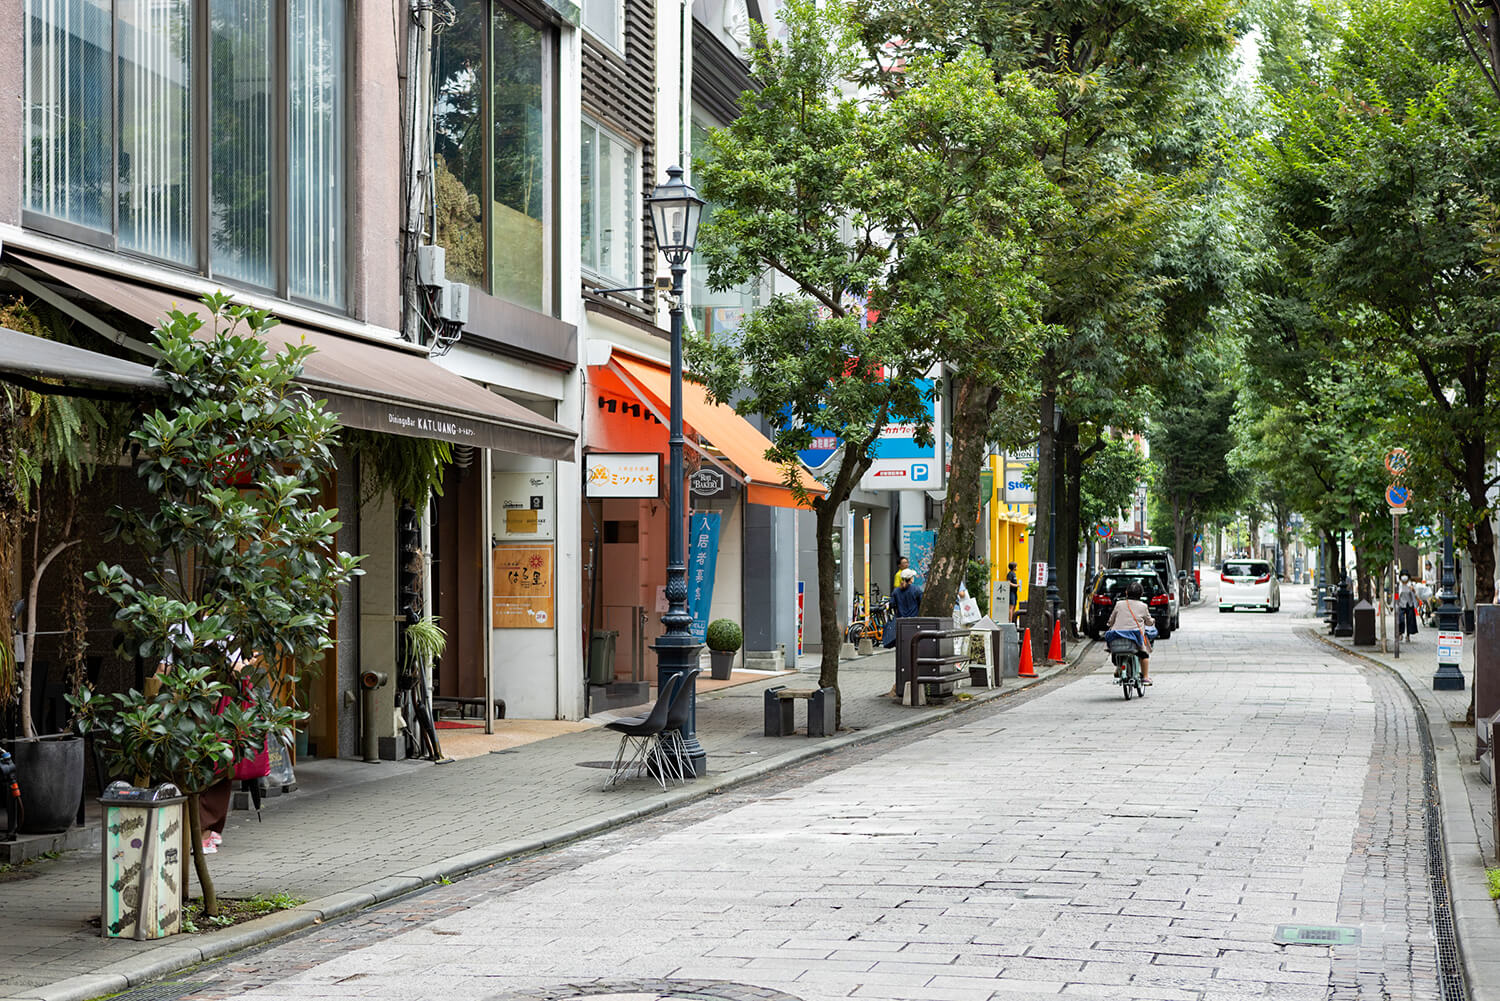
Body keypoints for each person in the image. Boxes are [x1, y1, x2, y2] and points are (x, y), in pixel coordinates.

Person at [1103, 581, 1155, 683]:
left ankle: (1119, 667)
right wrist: (1152, 621)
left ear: (1126, 593)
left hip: (1117, 637)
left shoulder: (1119, 604)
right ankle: (1145, 677)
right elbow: (1148, 622)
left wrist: (1109, 624)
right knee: (1144, 655)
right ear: (1141, 594)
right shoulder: (1143, 606)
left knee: (1115, 652)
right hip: (1134, 639)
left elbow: (1111, 620)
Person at [882, 568, 923, 648]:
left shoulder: (896, 591)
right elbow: (921, 603)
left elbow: (892, 605)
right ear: (911, 579)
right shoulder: (916, 590)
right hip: (914, 621)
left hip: (901, 622)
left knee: (902, 645)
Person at [1397, 572, 1419, 639]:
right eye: (1403, 575)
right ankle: (1400, 633)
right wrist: (1393, 605)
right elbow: (1395, 595)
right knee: (1401, 620)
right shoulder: (1399, 586)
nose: (1404, 577)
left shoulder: (1411, 585)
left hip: (1409, 604)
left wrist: (1413, 590)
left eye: (1405, 575)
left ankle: (1408, 635)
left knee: (1410, 620)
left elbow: (1416, 595)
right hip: (1401, 604)